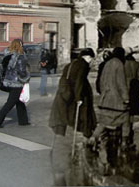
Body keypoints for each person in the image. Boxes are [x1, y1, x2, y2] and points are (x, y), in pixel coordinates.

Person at [49, 48, 97, 186]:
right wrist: (79, 98)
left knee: (63, 128)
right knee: (70, 132)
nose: (92, 62)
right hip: (72, 102)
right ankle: (69, 163)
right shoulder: (82, 65)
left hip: (63, 101)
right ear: (88, 57)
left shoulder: (70, 65)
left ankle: (59, 169)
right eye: (92, 59)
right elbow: (79, 83)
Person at [90, 47, 128, 166]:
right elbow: (121, 83)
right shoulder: (119, 64)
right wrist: (126, 98)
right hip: (115, 100)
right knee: (125, 118)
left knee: (104, 122)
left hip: (105, 99)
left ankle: (94, 138)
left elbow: (101, 81)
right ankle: (125, 143)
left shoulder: (107, 64)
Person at [0, 39, 30, 128]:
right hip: (17, 82)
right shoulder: (20, 56)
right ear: (20, 45)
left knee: (19, 101)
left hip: (8, 81)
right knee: (10, 102)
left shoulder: (8, 55)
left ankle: (23, 121)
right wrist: (27, 77)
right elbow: (22, 71)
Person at [123, 47, 139, 149]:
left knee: (124, 109)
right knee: (132, 110)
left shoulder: (122, 64)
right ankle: (129, 128)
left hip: (124, 88)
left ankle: (124, 132)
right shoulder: (136, 64)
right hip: (134, 89)